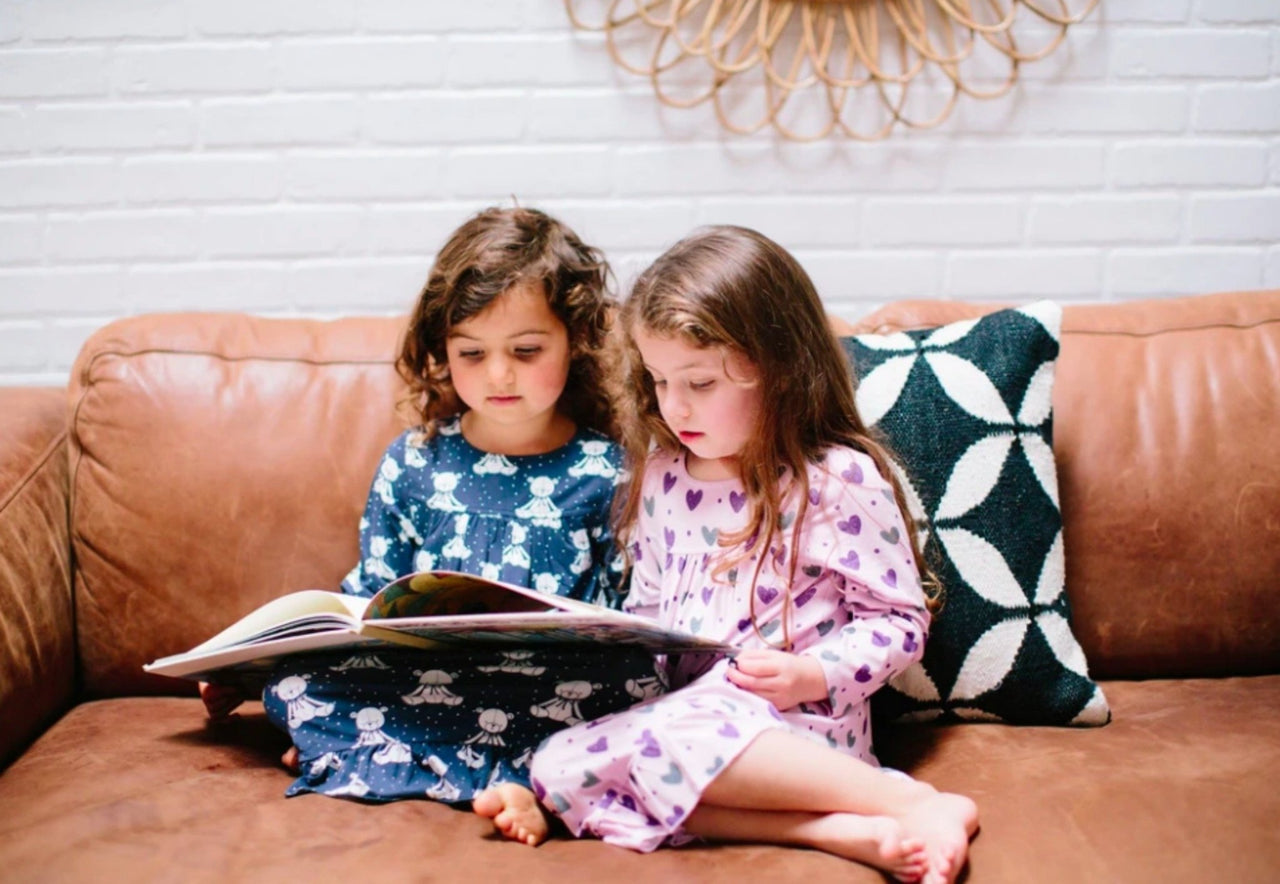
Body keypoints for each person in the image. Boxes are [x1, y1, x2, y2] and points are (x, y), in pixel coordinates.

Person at [519, 226, 978, 883]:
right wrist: (617, 650)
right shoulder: (662, 476)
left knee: (674, 743)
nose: (674, 406)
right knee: (556, 764)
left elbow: (900, 622)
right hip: (689, 720)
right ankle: (839, 832)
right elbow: (649, 603)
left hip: (797, 732)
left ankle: (912, 803)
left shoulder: (833, 480)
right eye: (659, 381)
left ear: (777, 369)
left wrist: (811, 674)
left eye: (700, 383)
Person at [200, 206, 660, 829]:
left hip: (552, 686)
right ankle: (522, 779)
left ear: (574, 340)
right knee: (293, 690)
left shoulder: (610, 470)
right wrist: (247, 672)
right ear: (442, 350)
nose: (499, 374)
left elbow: (628, 610)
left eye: (526, 350)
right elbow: (366, 600)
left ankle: (378, 761)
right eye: (472, 353)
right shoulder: (413, 461)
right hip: (431, 680)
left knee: (641, 691)